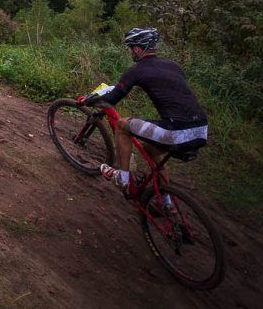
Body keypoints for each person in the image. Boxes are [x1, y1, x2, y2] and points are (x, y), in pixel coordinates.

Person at [87, 27, 208, 197]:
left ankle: (122, 178)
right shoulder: (174, 66)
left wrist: (88, 100)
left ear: (137, 49)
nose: (130, 52)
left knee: (122, 125)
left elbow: (110, 100)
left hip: (175, 131)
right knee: (151, 148)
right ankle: (167, 204)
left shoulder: (136, 70)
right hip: (201, 130)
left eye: (130, 48)